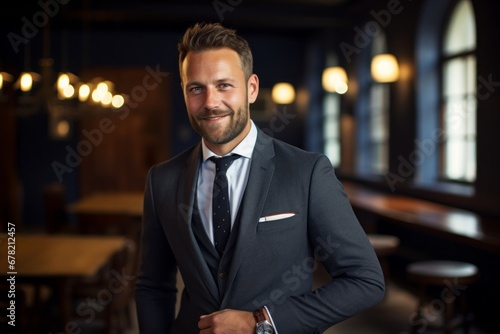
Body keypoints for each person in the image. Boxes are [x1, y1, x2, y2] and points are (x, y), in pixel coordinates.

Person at [135, 22, 385, 334]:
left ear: (252, 88)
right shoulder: (162, 180)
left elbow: (365, 280)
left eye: (224, 85)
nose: (211, 102)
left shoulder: (307, 172)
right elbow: (152, 286)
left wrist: (262, 321)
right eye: (196, 88)